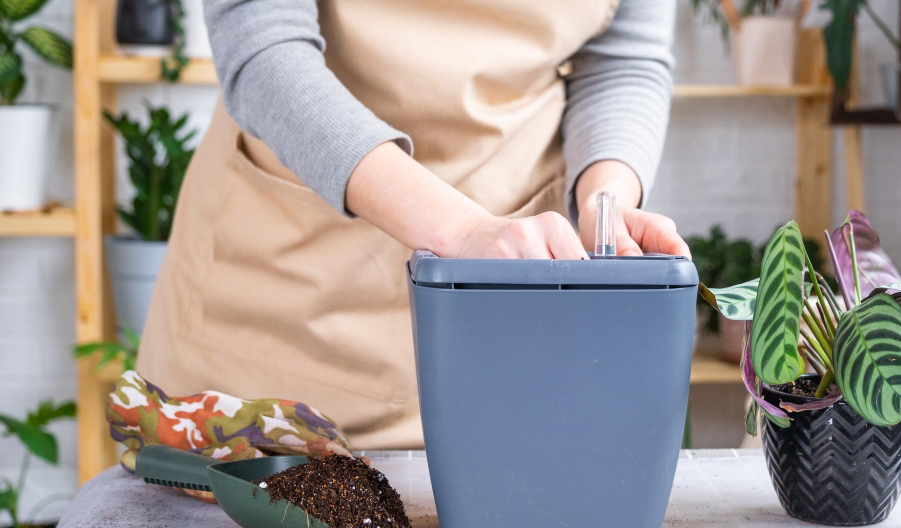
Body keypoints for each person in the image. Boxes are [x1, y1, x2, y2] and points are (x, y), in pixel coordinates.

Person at [137, 0, 689, 450]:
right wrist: (463, 233)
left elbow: (623, 58)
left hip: (508, 300)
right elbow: (261, 45)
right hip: (289, 278)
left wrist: (604, 208)